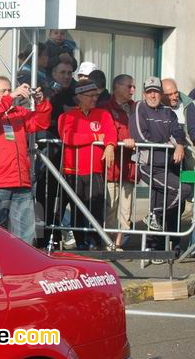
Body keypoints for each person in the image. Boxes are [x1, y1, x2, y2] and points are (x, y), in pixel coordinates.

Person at [0, 78, 51, 244]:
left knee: (26, 236)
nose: (9, 94)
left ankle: (24, 268)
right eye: (4, 91)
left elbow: (41, 123)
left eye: (10, 90)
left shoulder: (18, 113)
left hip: (21, 181)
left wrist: (40, 102)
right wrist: (11, 97)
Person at [130, 77, 191, 253]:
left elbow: (177, 132)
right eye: (149, 91)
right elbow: (141, 136)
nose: (153, 95)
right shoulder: (139, 108)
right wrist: (166, 143)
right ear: (144, 94)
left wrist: (179, 144)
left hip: (168, 166)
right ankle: (154, 219)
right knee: (182, 190)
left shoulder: (167, 112)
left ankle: (154, 248)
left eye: (156, 91)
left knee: (161, 202)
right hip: (148, 165)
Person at [58, 81, 117, 249]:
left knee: (96, 207)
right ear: (79, 97)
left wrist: (110, 145)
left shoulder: (103, 114)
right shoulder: (67, 116)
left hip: (95, 169)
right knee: (77, 207)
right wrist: (95, 137)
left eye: (96, 95)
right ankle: (80, 241)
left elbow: (110, 132)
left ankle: (96, 240)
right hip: (72, 170)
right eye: (91, 96)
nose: (94, 99)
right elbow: (69, 137)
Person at [102, 74, 137, 249]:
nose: (132, 90)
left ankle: (119, 242)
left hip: (129, 166)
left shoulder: (136, 108)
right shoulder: (106, 107)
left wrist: (134, 140)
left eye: (133, 87)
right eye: (128, 86)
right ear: (116, 87)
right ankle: (109, 241)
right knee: (111, 206)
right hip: (112, 166)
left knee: (126, 209)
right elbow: (109, 131)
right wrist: (126, 139)